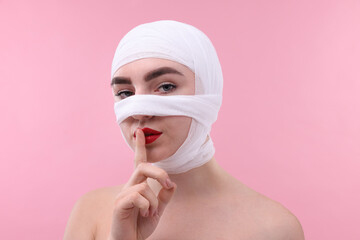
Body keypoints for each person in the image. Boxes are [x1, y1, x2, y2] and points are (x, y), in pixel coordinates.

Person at [64, 20, 304, 240]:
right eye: (125, 93)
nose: (139, 112)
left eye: (165, 87)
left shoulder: (274, 227)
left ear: (208, 91)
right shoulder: (91, 213)